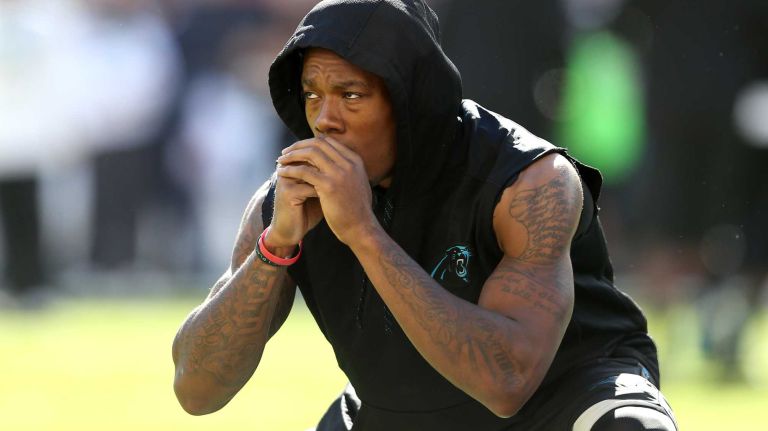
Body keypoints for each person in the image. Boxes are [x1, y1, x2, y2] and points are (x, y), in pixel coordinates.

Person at [172, 1, 678, 429]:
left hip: (560, 402)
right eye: (312, 95)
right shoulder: (287, 201)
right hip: (401, 411)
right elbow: (196, 390)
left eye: (351, 95)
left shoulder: (529, 181)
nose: (325, 120)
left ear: (410, 97)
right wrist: (276, 248)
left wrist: (364, 232)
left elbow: (508, 383)